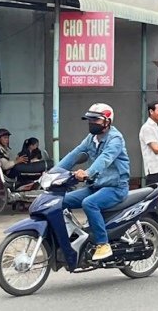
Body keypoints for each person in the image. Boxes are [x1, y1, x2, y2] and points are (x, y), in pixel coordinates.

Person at [59, 103, 130, 260]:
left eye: (95, 120)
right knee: (60, 201)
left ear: (107, 122)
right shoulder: (92, 138)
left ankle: (103, 244)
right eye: (90, 120)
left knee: (89, 203)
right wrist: (53, 173)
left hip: (115, 187)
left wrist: (88, 172)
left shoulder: (115, 139)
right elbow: (74, 154)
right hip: (95, 185)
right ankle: (74, 237)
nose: (91, 123)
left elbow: (106, 158)